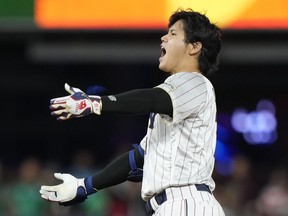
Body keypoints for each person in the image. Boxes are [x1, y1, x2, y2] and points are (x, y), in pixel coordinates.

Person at [40, 8, 225, 216]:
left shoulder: (195, 82)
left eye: (173, 34)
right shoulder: (178, 99)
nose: (164, 37)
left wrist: (95, 103)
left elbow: (153, 99)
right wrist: (84, 185)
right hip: (174, 206)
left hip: (186, 204)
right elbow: (136, 159)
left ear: (194, 47)